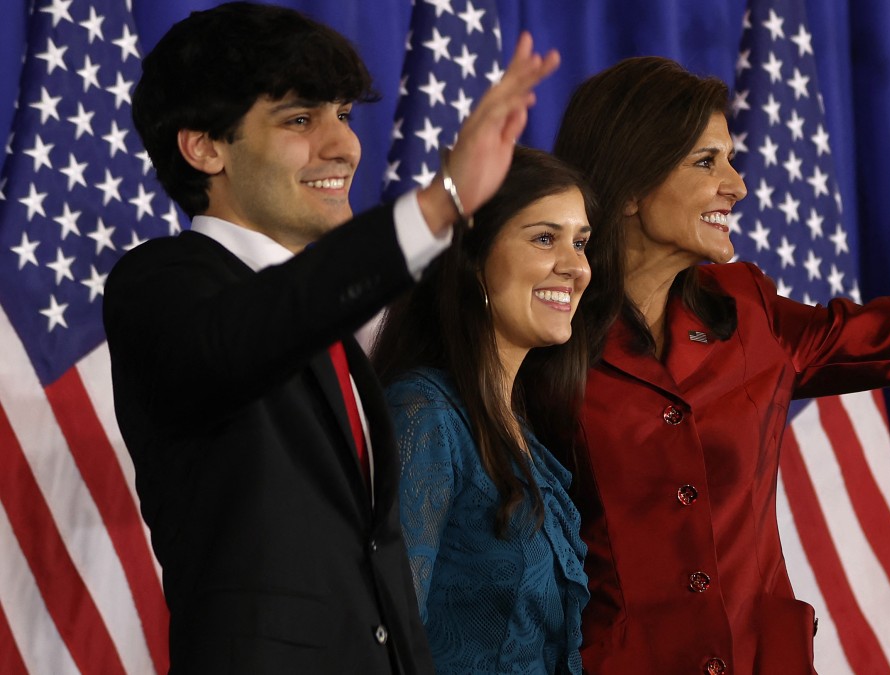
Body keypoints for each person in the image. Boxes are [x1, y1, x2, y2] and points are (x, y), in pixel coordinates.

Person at [552, 22, 890, 674]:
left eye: (730, 159)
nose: (737, 185)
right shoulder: (546, 337)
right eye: (707, 162)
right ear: (632, 189)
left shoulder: (750, 315)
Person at [102, 3, 558, 673]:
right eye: (298, 119)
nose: (343, 145)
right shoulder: (161, 284)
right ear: (204, 146)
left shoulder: (331, 327)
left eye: (342, 115)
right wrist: (437, 205)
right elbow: (252, 335)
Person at [371, 146, 593, 674]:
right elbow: (386, 640)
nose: (576, 267)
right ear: (473, 259)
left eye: (581, 242)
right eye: (545, 238)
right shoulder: (424, 415)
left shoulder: (524, 435)